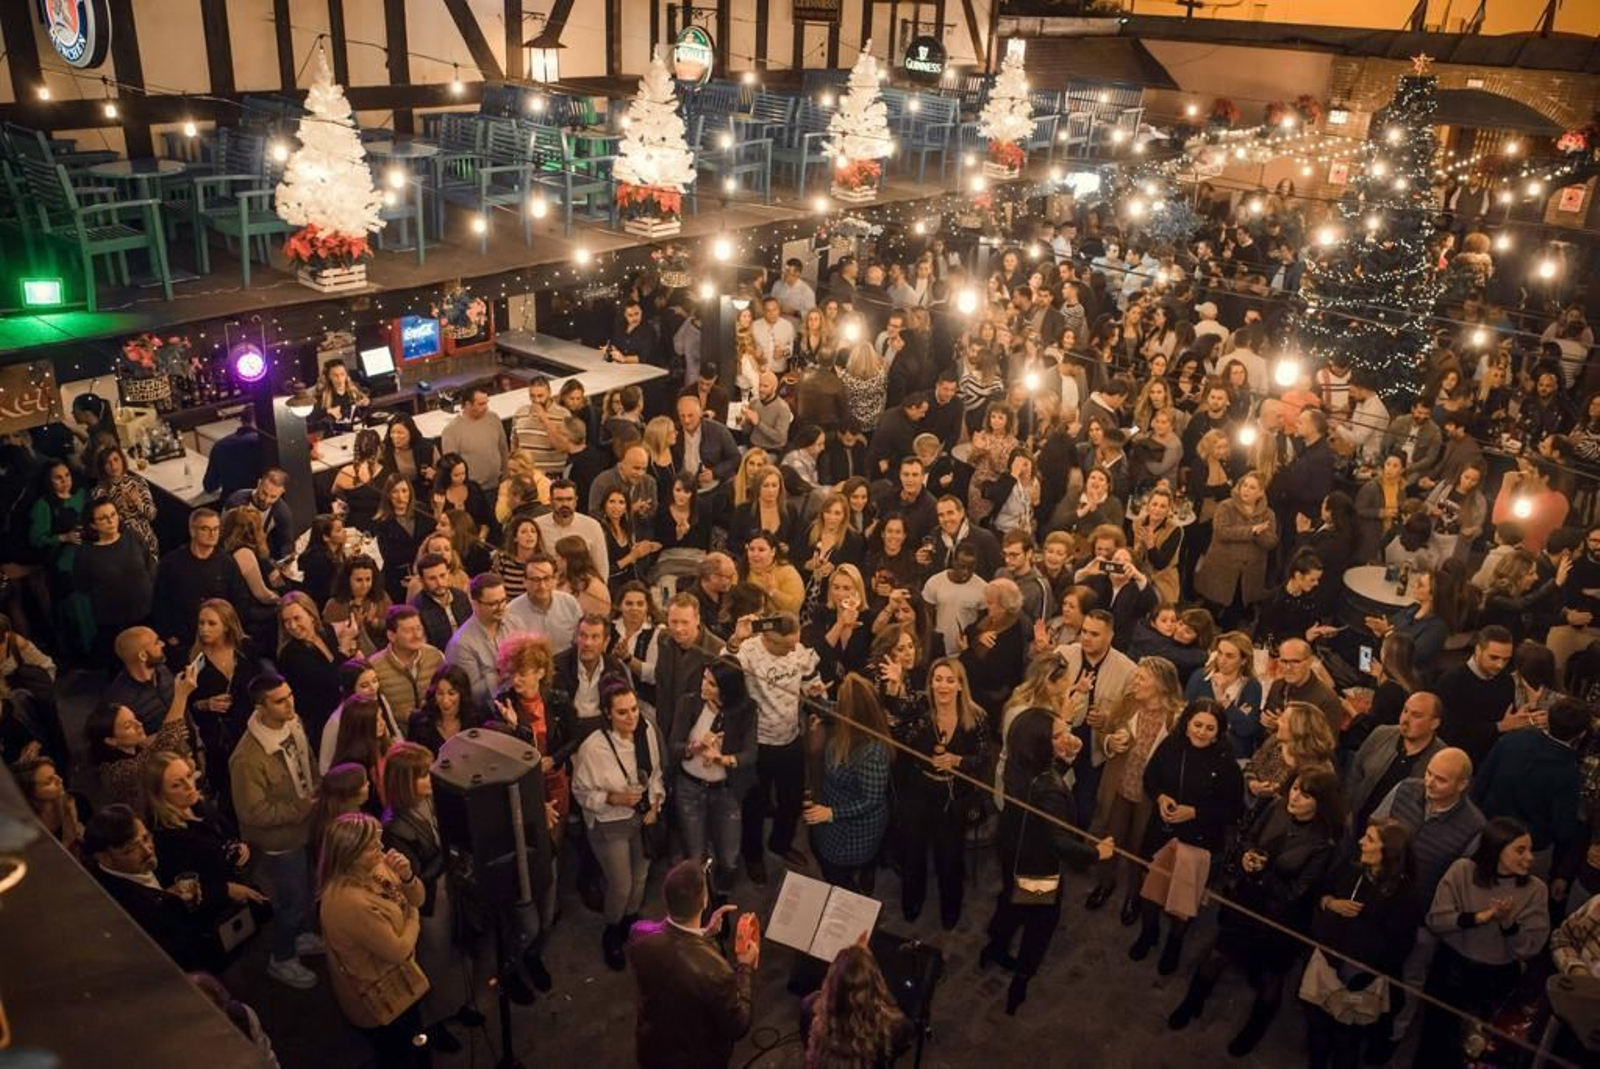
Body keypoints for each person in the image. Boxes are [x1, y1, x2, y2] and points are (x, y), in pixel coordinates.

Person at [1168, 768, 1343, 1057]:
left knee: (1271, 979)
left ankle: (1255, 1028)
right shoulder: (1275, 806)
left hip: (1279, 921)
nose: (1295, 797)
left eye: (1306, 795)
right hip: (1246, 903)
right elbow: (1248, 837)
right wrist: (1247, 856)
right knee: (1216, 955)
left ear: (1320, 803)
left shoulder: (1323, 843)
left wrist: (1262, 875)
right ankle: (1192, 1002)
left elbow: (1298, 892)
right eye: (1296, 788)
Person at [981, 708, 1115, 1014]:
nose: (1065, 737)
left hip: (1010, 846)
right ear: (1039, 743)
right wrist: (1097, 852)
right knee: (1040, 922)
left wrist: (1062, 760)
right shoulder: (1050, 788)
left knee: (1009, 902)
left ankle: (994, 948)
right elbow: (1061, 842)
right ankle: (1021, 980)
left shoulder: (1016, 761)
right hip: (1036, 863)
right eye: (1056, 736)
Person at [1415, 818, 1550, 1068]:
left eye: (1530, 849)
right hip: (1451, 969)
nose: (1530, 858)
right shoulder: (1463, 871)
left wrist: (1509, 924)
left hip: (1496, 979)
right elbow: (1436, 919)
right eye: (1520, 850)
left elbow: (1532, 946)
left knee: (1478, 1049)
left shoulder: (1535, 890)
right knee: (1435, 1039)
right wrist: (1480, 917)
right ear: (1496, 848)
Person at [1130, 700, 1244, 975]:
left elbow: (1234, 809)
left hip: (1198, 838)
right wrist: (1161, 797)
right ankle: (1149, 932)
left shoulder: (1226, 763)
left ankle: (1174, 943)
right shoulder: (1171, 745)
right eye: (1197, 725)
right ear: (1187, 723)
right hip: (1162, 830)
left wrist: (1194, 812)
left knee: (1184, 899)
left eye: (1209, 728)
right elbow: (1150, 777)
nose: (1202, 732)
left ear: (1219, 732)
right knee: (1150, 886)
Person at [1302, 819, 1420, 1069]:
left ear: (1387, 852)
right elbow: (1322, 890)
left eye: (1369, 839)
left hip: (1360, 979)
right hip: (1326, 964)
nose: (1361, 843)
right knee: (1317, 1029)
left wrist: (1364, 975)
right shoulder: (1351, 868)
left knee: (1346, 1040)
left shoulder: (1405, 895)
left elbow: (1399, 947)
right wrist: (1330, 903)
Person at [230, 673, 323, 989]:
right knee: (290, 901)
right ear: (260, 707)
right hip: (279, 842)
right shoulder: (247, 758)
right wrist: (301, 807)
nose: (290, 703)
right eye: (280, 700)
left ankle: (298, 937)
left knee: (305, 889)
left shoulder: (292, 723)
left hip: (304, 829)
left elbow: (307, 759)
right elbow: (252, 812)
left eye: (290, 694)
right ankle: (281, 958)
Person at [317, 813, 431, 1067]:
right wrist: (413, 914)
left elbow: (419, 897)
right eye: (372, 846)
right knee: (400, 1054)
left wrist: (408, 877)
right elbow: (399, 950)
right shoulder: (348, 902)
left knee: (417, 1040)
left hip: (402, 982)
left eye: (379, 839)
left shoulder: (376, 867)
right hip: (383, 999)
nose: (381, 848)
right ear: (350, 854)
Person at [625, 858, 758, 1069]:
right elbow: (738, 1025)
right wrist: (744, 967)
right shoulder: (714, 969)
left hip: (653, 1046)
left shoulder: (639, 933)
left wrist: (704, 935)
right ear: (705, 901)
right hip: (697, 1057)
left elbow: (676, 949)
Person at [573, 680, 665, 970]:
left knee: (640, 877)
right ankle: (612, 931)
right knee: (621, 884)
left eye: (635, 709)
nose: (632, 717)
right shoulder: (593, 748)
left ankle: (629, 922)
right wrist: (612, 798)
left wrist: (654, 803)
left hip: (640, 818)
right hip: (608, 823)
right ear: (608, 714)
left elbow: (655, 774)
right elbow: (580, 791)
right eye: (623, 712)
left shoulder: (646, 732)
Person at [1086, 657, 1185, 920]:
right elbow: (1104, 731)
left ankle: (1133, 895)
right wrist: (1110, 742)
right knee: (1110, 838)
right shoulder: (1129, 701)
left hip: (1150, 796)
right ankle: (1105, 883)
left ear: (1162, 685)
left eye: (1142, 678)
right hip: (1119, 785)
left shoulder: (1177, 717)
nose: (1135, 682)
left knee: (1140, 848)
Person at [896, 657, 990, 927]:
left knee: (949, 857)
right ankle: (912, 902)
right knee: (913, 851)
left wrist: (957, 761)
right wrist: (894, 688)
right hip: (920, 791)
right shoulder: (920, 711)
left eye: (950, 680)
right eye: (938, 679)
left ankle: (950, 910)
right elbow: (899, 732)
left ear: (961, 685)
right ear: (930, 683)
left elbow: (984, 759)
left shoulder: (977, 716)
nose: (943, 686)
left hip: (954, 797)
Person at [730, 610, 821, 884]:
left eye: (796, 643)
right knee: (754, 806)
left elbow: (811, 680)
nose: (794, 648)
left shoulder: (797, 648)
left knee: (791, 800)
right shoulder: (746, 652)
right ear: (768, 638)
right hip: (759, 743)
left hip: (791, 738)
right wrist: (735, 639)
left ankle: (780, 843)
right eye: (788, 645)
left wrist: (816, 698)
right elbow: (721, 669)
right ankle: (753, 855)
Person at [83, 804, 214, 971]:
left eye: (145, 838)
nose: (147, 851)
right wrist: (166, 903)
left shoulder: (145, 862)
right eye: (130, 850)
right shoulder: (118, 906)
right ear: (104, 858)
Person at [143, 751, 266, 928]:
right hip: (209, 917)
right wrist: (226, 890)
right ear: (159, 795)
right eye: (177, 785)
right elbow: (181, 889)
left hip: (233, 895)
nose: (189, 786)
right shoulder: (165, 837)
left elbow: (225, 833)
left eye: (188, 776)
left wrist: (238, 845)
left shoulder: (198, 805)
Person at [1471, 698, 1588, 878]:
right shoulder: (1569, 773)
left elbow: (1480, 783)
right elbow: (1562, 829)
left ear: (1547, 720)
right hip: (1529, 850)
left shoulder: (1512, 739)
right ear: (1581, 735)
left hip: (1487, 831)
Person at [670, 660, 757, 893]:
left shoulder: (745, 710)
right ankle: (700, 901)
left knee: (729, 856)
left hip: (726, 790)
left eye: (712, 683)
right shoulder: (688, 703)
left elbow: (750, 754)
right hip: (690, 788)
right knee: (695, 855)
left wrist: (722, 758)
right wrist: (694, 747)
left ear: (727, 689)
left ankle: (721, 897)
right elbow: (673, 746)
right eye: (704, 679)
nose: (704, 686)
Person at [803, 673, 892, 893]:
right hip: (833, 811)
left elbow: (871, 800)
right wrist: (815, 699)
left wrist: (831, 813)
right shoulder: (850, 718)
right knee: (819, 848)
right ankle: (864, 877)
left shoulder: (872, 752)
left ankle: (854, 900)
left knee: (834, 871)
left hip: (855, 830)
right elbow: (828, 708)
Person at [86, 665, 198, 811]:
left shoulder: (140, 748)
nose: (139, 725)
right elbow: (164, 744)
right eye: (128, 726)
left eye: (135, 718)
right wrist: (181, 695)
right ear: (111, 740)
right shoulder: (117, 773)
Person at [801, 942, 915, 1069]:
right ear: (876, 982)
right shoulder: (894, 1027)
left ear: (832, 979)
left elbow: (806, 1040)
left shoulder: (809, 1006)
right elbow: (902, 1046)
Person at [1343, 692, 1445, 830]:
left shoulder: (1442, 759)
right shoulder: (1381, 734)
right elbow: (1356, 772)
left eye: (1416, 715)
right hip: (1356, 826)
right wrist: (1349, 810)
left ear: (1434, 723)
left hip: (1394, 841)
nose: (1405, 719)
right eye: (1405, 710)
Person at [75, 498, 155, 661]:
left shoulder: (132, 535)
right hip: (114, 621)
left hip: (146, 612)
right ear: (92, 525)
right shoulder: (86, 553)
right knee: (122, 662)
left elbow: (149, 564)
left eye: (113, 515)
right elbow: (82, 585)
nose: (111, 520)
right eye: (103, 518)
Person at [1193, 472, 1278, 625]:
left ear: (1260, 492)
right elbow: (1221, 532)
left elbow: (1271, 543)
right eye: (1244, 485)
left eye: (1252, 487)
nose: (1246, 490)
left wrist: (1260, 534)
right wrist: (1251, 531)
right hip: (1222, 567)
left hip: (1249, 572)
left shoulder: (1268, 514)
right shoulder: (1226, 506)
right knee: (1210, 609)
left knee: (1234, 614)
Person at [152, 509, 242, 652]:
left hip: (218, 638)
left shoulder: (227, 563)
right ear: (192, 531)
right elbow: (160, 602)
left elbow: (238, 600)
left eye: (216, 529)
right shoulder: (171, 563)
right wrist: (168, 635)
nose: (212, 534)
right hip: (183, 640)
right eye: (205, 529)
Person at [1433, 625, 1516, 766]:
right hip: (1456, 761)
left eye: (1506, 659)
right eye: (1494, 658)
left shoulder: (1506, 681)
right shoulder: (1450, 682)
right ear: (1478, 650)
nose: (1500, 665)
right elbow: (1448, 733)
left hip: (1491, 760)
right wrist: (1498, 727)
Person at [274, 593, 345, 746]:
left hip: (341, 708)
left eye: (296, 618)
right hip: (318, 720)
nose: (292, 626)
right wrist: (344, 650)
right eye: (286, 621)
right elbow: (331, 679)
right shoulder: (291, 653)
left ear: (311, 615)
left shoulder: (327, 631)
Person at [1185, 630, 1264, 759]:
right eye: (1220, 653)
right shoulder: (1200, 677)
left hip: (1233, 753)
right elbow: (1186, 715)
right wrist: (1235, 716)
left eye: (1229, 656)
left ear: (1244, 660)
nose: (1222, 660)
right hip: (1196, 747)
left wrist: (1224, 700)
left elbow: (1246, 728)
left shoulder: (1252, 686)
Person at [445, 573, 523, 703]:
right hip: (486, 712)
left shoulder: (515, 623)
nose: (501, 607)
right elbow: (470, 692)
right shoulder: (461, 644)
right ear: (475, 604)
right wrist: (504, 674)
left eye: (503, 600)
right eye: (493, 603)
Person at [12, 754, 89, 856]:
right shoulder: (22, 829)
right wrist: (67, 842)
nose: (59, 781)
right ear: (28, 791)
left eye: (55, 775)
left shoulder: (78, 801)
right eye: (49, 781)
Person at [439, 386, 507, 487]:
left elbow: (503, 449)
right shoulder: (451, 431)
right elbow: (451, 467)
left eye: (486, 402)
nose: (486, 407)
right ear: (467, 404)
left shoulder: (493, 418)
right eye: (481, 404)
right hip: (472, 491)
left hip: (498, 484)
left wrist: (506, 475)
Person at [372, 474, 425, 603]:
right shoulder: (382, 522)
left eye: (404, 491)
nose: (400, 497)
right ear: (388, 495)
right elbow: (390, 556)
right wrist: (421, 550)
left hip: (423, 573)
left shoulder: (422, 511)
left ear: (410, 492)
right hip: (397, 578)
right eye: (395, 492)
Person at [225, 469, 294, 561]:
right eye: (264, 493)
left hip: (261, 556)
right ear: (259, 483)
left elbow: (286, 545)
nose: (266, 500)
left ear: (282, 493)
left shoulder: (282, 513)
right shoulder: (236, 501)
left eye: (273, 497)